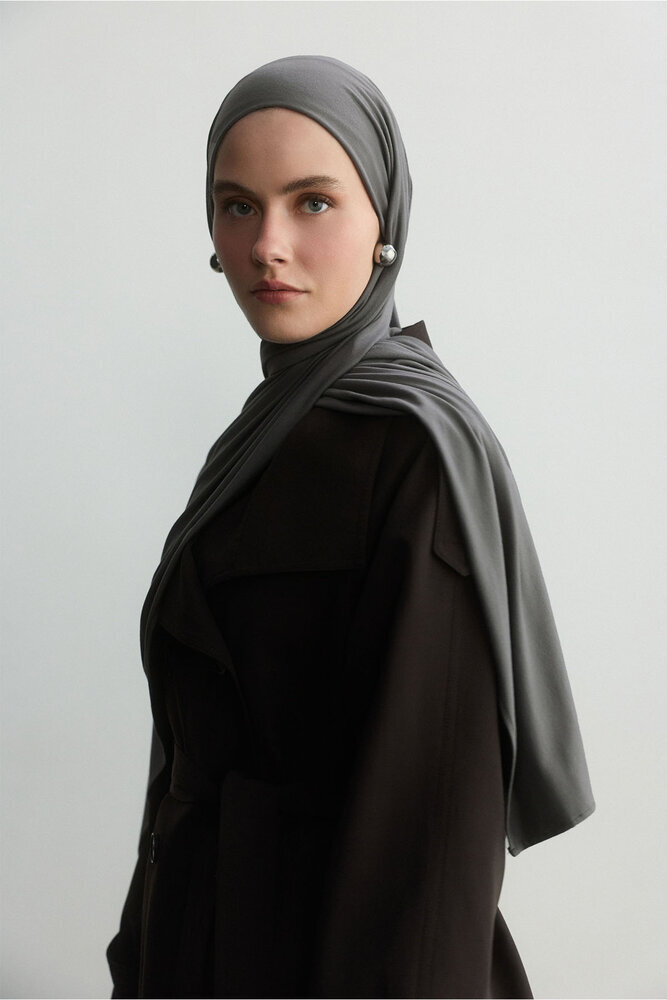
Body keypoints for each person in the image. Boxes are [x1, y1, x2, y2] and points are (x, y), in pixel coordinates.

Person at [107, 55, 595, 999]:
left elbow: (426, 839)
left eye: (313, 202)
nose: (267, 245)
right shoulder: (266, 437)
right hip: (202, 950)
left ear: (384, 222)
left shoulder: (414, 455)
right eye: (237, 205)